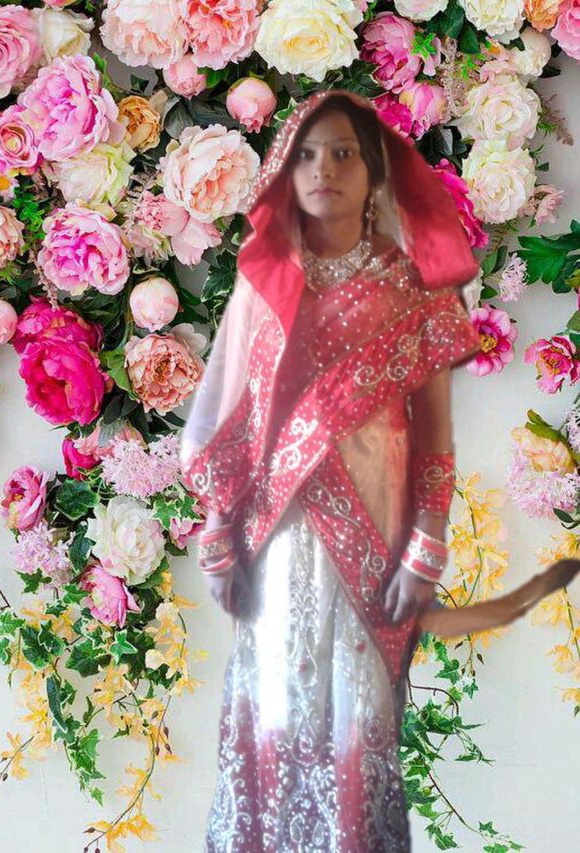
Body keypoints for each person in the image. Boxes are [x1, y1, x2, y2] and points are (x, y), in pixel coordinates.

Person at [179, 89, 579, 852]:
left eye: (343, 153)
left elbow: (434, 435)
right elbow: (229, 419)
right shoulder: (264, 282)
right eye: (306, 154)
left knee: (359, 717)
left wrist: (427, 543)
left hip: (377, 536)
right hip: (276, 541)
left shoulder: (411, 288)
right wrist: (220, 533)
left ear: (374, 173)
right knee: (277, 706)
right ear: (283, 169)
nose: (323, 168)